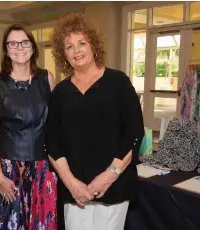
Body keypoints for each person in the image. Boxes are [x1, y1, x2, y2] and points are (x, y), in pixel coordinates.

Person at [46, 13, 145, 230]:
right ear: (63, 54)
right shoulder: (60, 92)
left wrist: (109, 176)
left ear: (94, 45)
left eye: (82, 43)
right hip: (74, 190)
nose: (77, 50)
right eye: (69, 46)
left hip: (114, 185)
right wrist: (71, 184)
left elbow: (134, 134)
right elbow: (52, 142)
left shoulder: (118, 82)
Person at [0, 24, 58, 230]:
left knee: (44, 224)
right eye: (13, 43)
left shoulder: (47, 78)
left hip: (44, 165)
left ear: (33, 47)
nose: (19, 47)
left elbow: (56, 124)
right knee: (11, 225)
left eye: (25, 42)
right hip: (9, 169)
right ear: (6, 49)